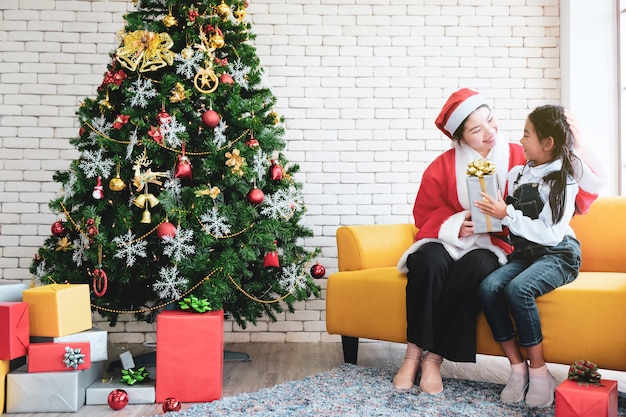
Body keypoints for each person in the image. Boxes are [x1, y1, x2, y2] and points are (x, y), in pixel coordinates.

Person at [393, 89, 607, 395]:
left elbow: (572, 186)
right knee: (425, 260)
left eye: (491, 121)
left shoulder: (525, 157)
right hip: (454, 238)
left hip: (497, 245)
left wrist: (578, 147)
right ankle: (413, 355)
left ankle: (434, 360)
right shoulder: (442, 166)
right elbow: (424, 212)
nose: (490, 132)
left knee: (478, 266)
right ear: (461, 137)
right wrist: (457, 224)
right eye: (477, 130)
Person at [475, 105, 595, 408]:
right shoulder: (518, 173)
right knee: (488, 288)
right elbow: (512, 219)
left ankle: (540, 373)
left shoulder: (562, 179)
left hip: (559, 254)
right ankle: (517, 369)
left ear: (547, 143)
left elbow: (551, 233)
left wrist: (508, 213)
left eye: (527, 134)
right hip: (527, 254)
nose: (522, 139)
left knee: (518, 289)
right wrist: (494, 211)